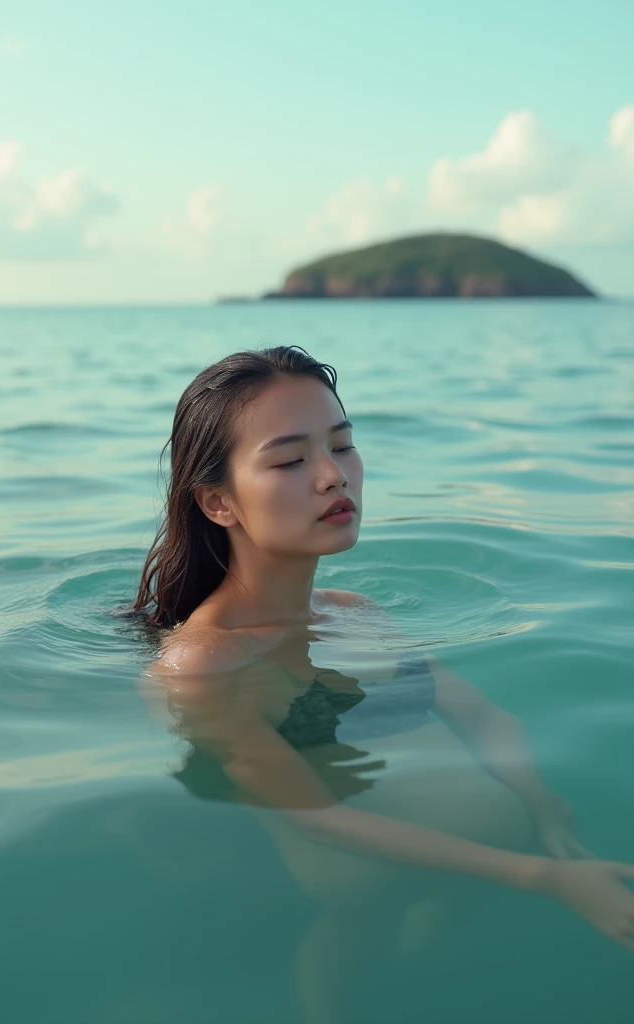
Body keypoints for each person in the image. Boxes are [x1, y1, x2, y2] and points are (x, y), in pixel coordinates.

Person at [134, 345, 634, 1024]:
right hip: (361, 875)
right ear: (218, 502)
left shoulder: (355, 614)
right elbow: (321, 822)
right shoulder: (204, 663)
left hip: (464, 863)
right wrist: (545, 877)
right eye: (290, 460)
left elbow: (483, 717)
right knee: (355, 949)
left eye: (342, 446)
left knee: (396, 963)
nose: (333, 476)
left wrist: (543, 805)